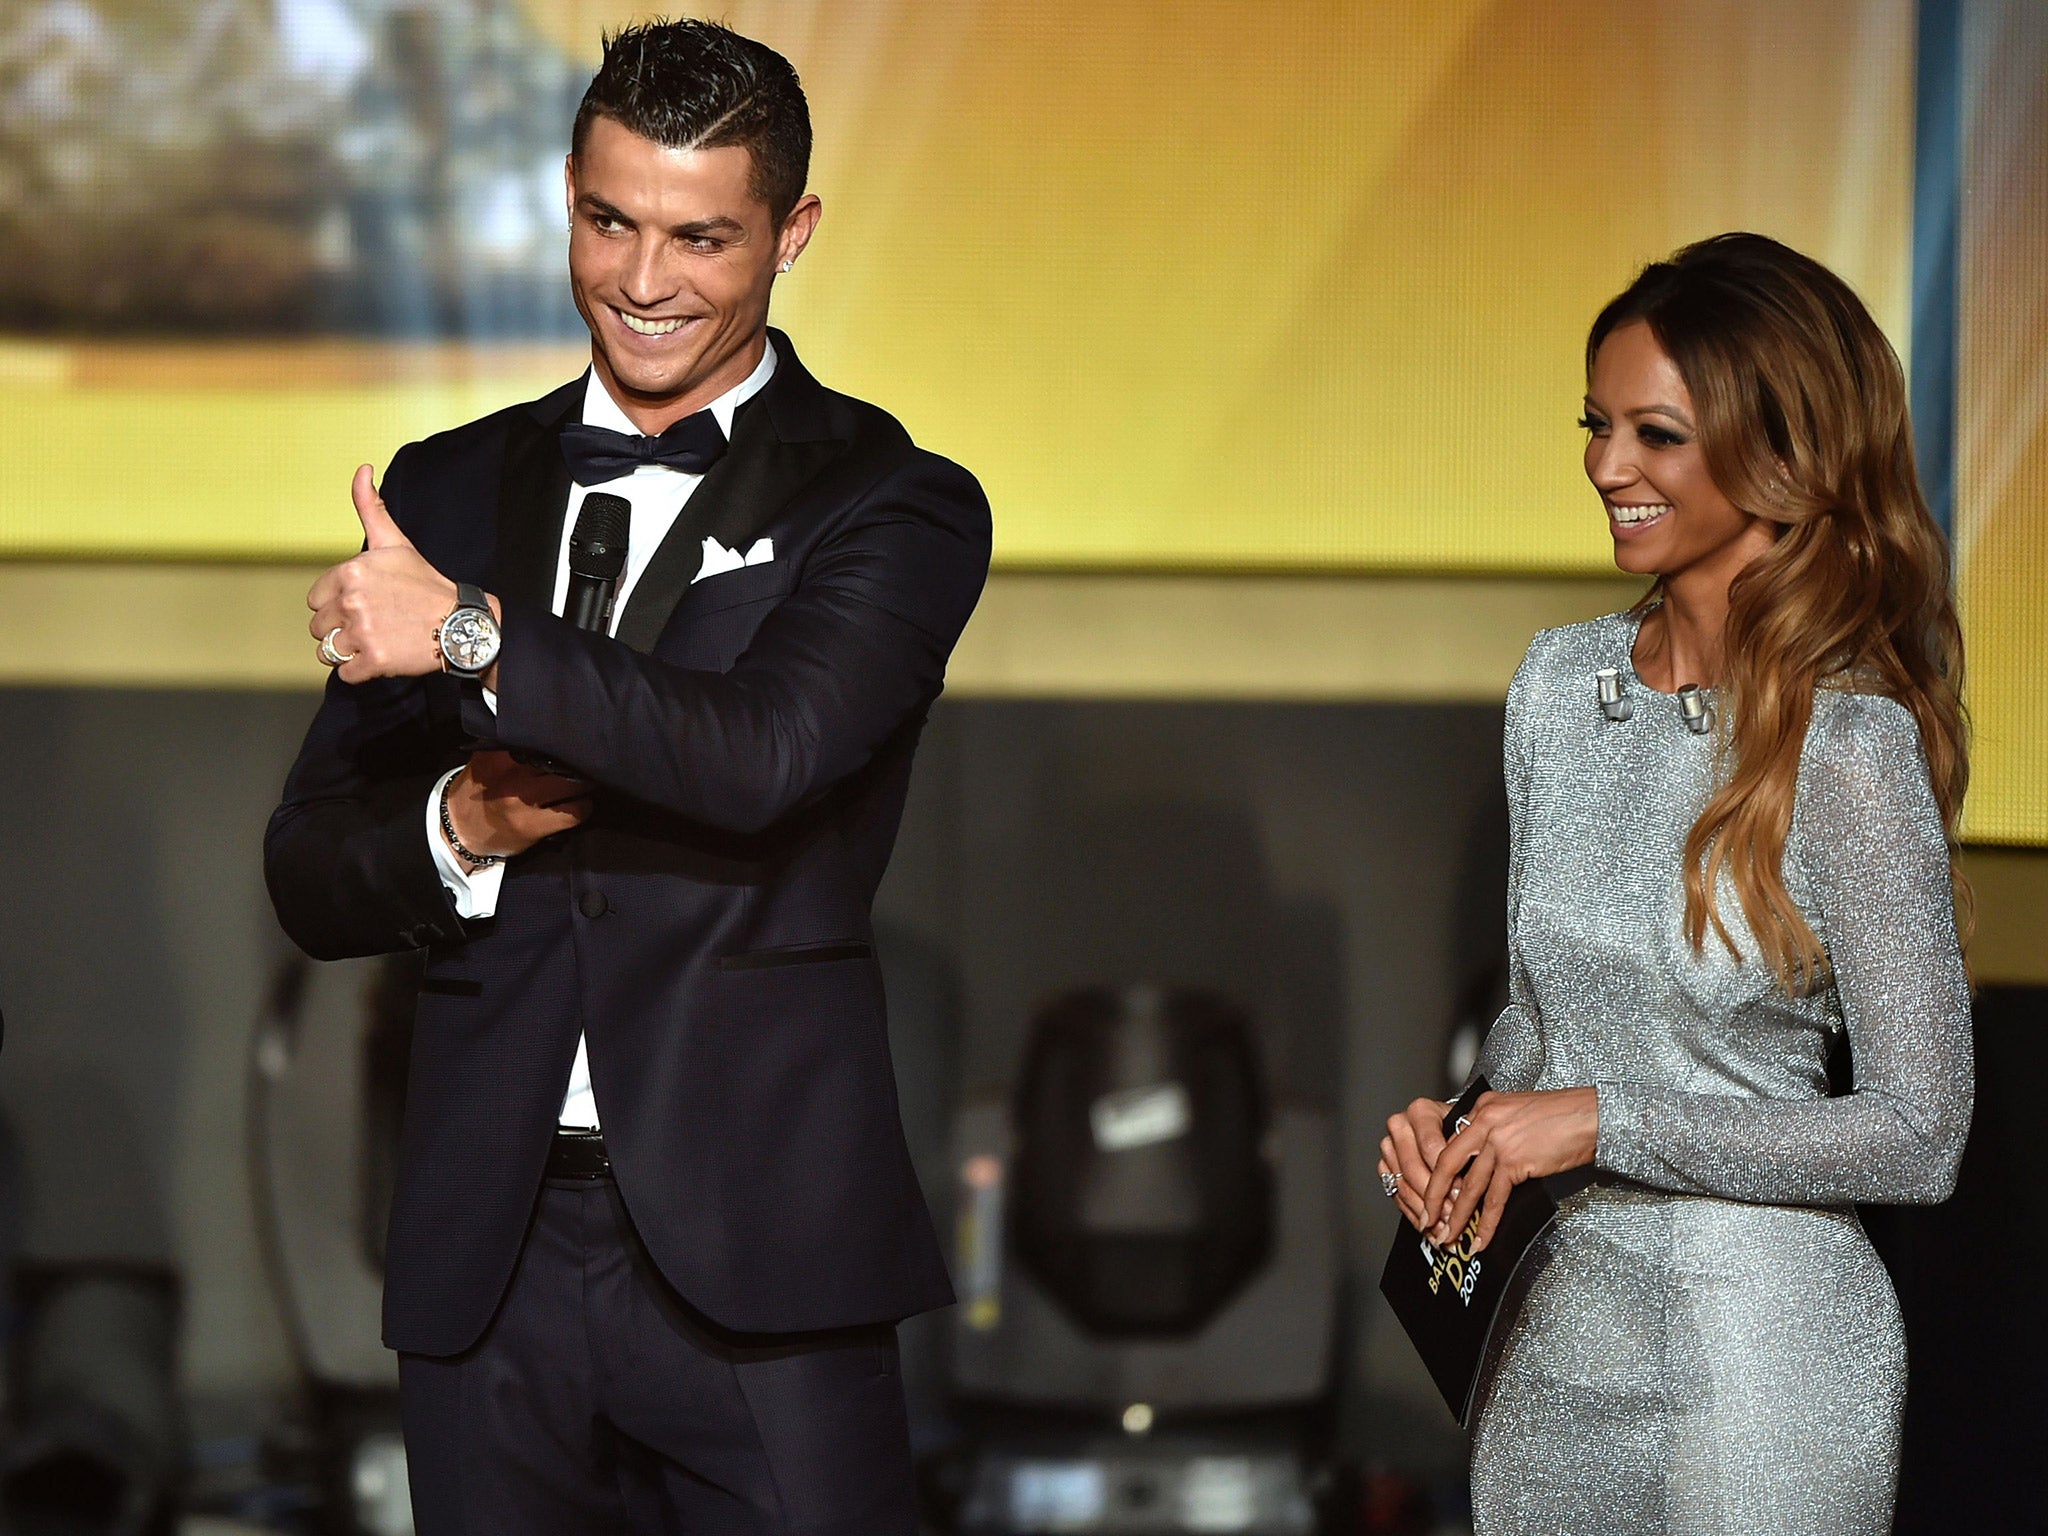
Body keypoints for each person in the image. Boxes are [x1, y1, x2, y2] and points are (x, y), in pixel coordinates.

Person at [264, 21, 989, 1534]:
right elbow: (312, 871)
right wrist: (461, 825)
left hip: (761, 1260)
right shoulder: (444, 486)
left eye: (700, 237)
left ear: (791, 233)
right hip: (489, 1246)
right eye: (610, 221)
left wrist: (467, 633)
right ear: (569, 199)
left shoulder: (892, 502)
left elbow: (763, 754)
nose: (644, 281)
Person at [1377, 233, 1972, 1534]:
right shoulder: (1554, 689)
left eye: (1655, 433)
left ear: (1779, 452)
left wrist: (1598, 1121)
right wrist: (1467, 1132)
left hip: (1764, 1360)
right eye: (1598, 425)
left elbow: (1923, 1133)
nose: (1605, 467)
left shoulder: (1849, 746)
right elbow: (1545, 1029)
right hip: (1553, 1347)